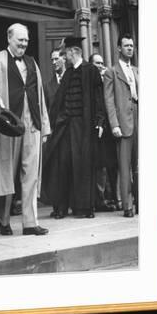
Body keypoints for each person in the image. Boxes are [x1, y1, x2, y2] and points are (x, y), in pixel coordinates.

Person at [0, 23, 51, 236]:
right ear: (9, 39)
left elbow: (40, 94)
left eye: (26, 41)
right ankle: (4, 221)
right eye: (20, 40)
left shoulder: (32, 62)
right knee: (6, 174)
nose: (24, 44)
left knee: (31, 174)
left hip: (31, 124)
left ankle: (30, 223)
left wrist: (44, 126)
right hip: (9, 125)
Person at [42, 37, 105, 219]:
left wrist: (100, 122)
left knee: (83, 167)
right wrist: (52, 124)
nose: (64, 57)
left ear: (73, 52)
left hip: (84, 128)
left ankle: (83, 208)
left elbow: (98, 98)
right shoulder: (68, 74)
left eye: (65, 53)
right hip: (66, 127)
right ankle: (61, 207)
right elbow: (58, 102)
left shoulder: (91, 70)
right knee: (63, 165)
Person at [104, 34, 139, 217]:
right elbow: (109, 100)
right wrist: (114, 124)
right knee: (124, 166)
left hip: (138, 119)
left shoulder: (137, 70)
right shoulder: (112, 71)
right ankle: (127, 206)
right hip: (123, 124)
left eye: (132, 46)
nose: (130, 49)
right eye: (126, 46)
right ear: (118, 48)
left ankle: (141, 202)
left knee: (139, 164)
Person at [89, 53, 119, 212]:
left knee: (112, 165)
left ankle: (113, 197)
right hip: (98, 130)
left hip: (111, 130)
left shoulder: (109, 78)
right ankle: (101, 200)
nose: (100, 66)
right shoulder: (91, 82)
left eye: (102, 63)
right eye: (96, 63)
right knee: (99, 167)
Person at [44, 48, 66, 115]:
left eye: (56, 59)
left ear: (64, 59)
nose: (54, 62)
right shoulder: (47, 86)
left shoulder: (73, 79)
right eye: (52, 60)